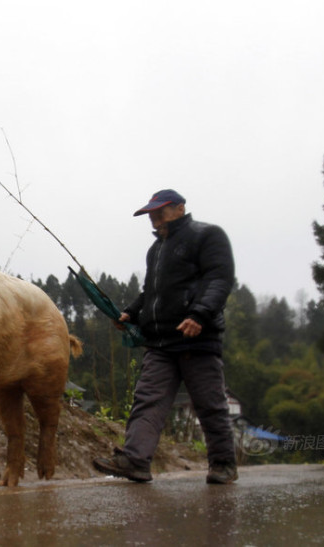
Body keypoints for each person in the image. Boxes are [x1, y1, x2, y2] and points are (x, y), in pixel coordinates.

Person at [92, 189, 238, 484]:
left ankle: (223, 464)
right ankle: (135, 461)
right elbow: (151, 293)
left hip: (196, 337)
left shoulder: (208, 235)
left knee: (209, 404)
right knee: (148, 400)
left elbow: (219, 279)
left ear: (180, 209)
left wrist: (199, 315)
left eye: (161, 211)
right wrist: (132, 313)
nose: (154, 217)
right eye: (151, 213)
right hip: (159, 342)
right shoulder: (156, 250)